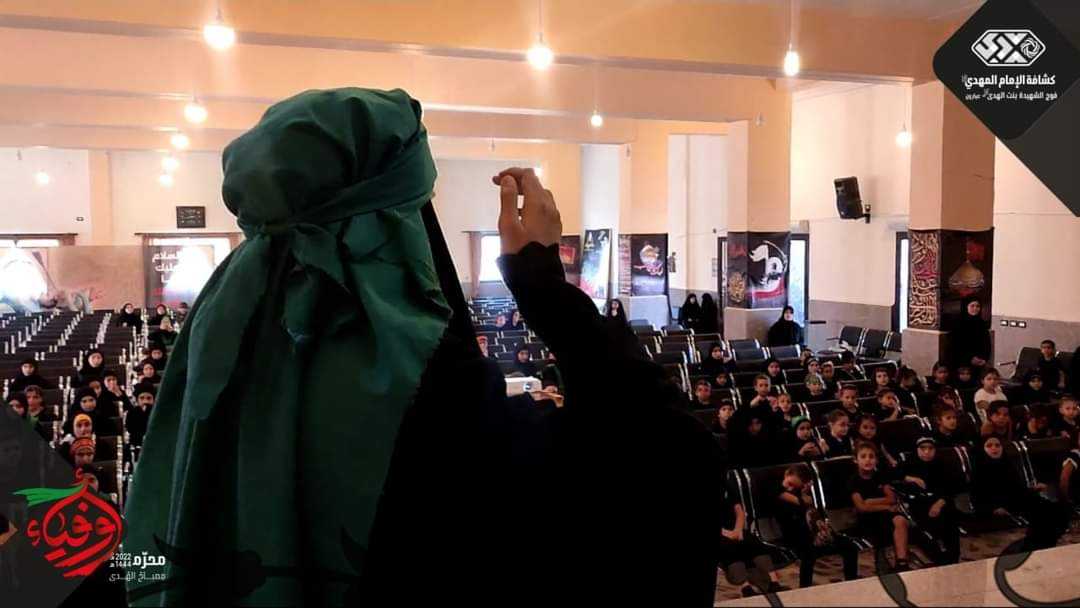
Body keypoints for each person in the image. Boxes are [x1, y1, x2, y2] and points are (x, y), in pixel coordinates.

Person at [125, 92, 722, 608]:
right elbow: (671, 455)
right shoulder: (432, 391)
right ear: (395, 228)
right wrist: (543, 284)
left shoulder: (219, 348)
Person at [972, 435, 1067, 551]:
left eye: (997, 445)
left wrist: (1033, 489)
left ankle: (1045, 546)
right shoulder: (979, 469)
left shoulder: (1006, 463)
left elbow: (1016, 488)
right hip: (999, 505)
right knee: (1041, 515)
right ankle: (1033, 547)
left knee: (1054, 509)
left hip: (1016, 499)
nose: (994, 448)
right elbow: (978, 497)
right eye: (989, 446)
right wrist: (993, 508)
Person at [776, 464, 858, 587]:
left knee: (850, 546)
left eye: (795, 485)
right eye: (789, 484)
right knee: (808, 553)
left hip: (812, 532)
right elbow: (799, 503)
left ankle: (852, 581)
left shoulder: (801, 493)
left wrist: (804, 493)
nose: (790, 488)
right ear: (786, 474)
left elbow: (812, 513)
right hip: (795, 535)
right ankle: (805, 587)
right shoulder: (776, 490)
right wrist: (803, 498)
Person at [849, 441, 911, 573]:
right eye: (863, 456)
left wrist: (870, 501)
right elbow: (861, 507)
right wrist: (885, 507)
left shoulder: (880, 476)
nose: (868, 460)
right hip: (867, 517)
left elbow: (892, 498)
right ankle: (881, 562)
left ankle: (902, 561)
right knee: (883, 525)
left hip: (884, 513)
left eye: (871, 457)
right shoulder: (853, 481)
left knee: (900, 520)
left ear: (876, 460)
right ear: (855, 460)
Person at [898, 437, 961, 565]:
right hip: (919, 504)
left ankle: (953, 557)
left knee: (950, 521)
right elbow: (892, 475)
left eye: (930, 448)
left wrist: (938, 504)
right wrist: (912, 478)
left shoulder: (942, 464)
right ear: (917, 449)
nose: (926, 452)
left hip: (940, 502)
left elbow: (952, 488)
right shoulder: (909, 463)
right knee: (921, 529)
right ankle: (939, 558)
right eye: (923, 448)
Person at [718, 478, 786, 596]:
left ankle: (774, 583)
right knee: (728, 547)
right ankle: (746, 587)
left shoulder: (726, 486)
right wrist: (727, 534)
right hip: (722, 533)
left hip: (735, 528)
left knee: (754, 542)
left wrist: (738, 529)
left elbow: (739, 511)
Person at [949, 297, 991, 375]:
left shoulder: (982, 323)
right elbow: (956, 344)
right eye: (972, 306)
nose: (975, 308)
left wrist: (984, 359)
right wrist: (970, 358)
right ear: (966, 307)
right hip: (962, 363)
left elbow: (987, 343)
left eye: (978, 306)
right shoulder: (958, 323)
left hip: (980, 363)